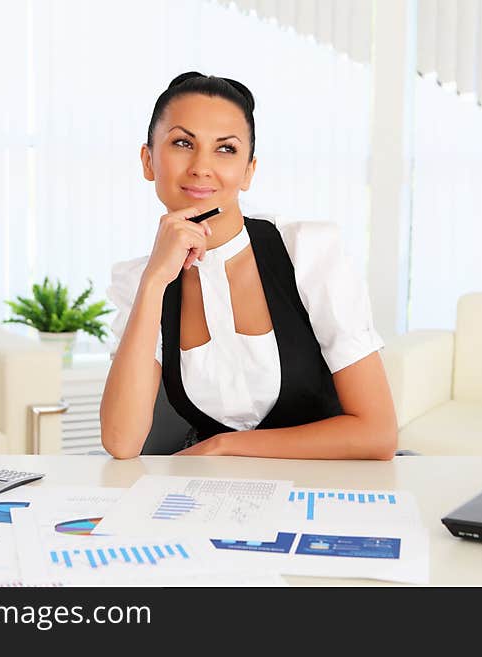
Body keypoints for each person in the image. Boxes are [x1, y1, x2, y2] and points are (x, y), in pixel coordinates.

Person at [100, 72, 397, 460]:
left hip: (324, 488)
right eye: (182, 143)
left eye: (225, 150)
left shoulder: (307, 253)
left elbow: (378, 434)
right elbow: (121, 442)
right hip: (214, 496)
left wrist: (225, 446)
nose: (201, 167)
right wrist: (155, 281)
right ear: (148, 160)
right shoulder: (139, 282)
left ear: (248, 171)